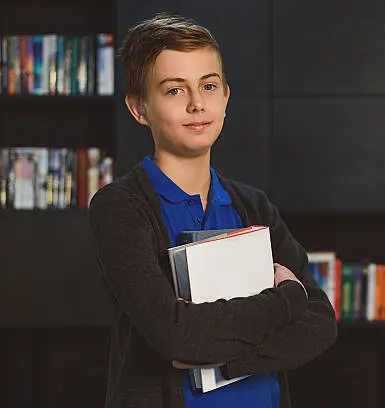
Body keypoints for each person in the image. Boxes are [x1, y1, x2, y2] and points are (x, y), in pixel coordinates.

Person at [88, 12, 337, 408]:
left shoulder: (254, 206)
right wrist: (286, 299)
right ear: (139, 108)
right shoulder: (119, 208)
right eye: (174, 90)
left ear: (225, 98)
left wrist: (222, 357)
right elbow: (175, 335)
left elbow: (321, 322)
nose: (196, 103)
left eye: (208, 85)